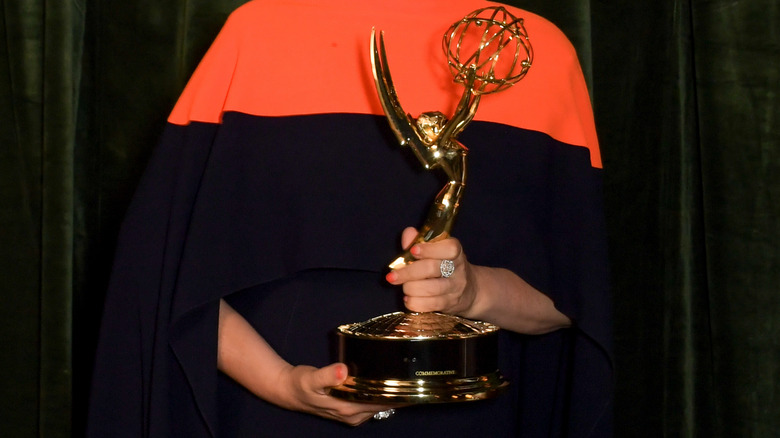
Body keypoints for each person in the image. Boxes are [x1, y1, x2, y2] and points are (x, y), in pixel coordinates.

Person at [87, 0, 612, 436]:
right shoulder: (258, 33)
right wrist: (280, 383)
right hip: (266, 412)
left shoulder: (537, 53)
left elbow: (574, 302)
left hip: (469, 414)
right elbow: (163, 271)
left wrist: (471, 291)